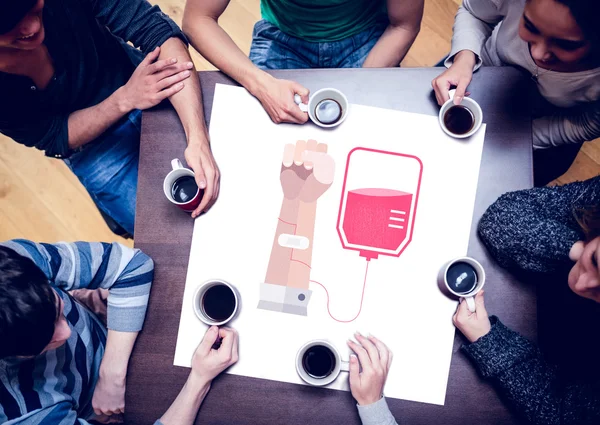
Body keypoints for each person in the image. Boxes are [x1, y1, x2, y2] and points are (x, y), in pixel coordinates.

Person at [0, 0, 220, 236]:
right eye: (9, 27)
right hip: (92, 146)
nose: (32, 27)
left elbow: (156, 31)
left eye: (33, 7)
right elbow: (55, 135)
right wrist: (124, 99)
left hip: (141, 80)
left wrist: (197, 138)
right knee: (169, 239)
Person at [0, 239, 239, 424]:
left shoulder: (18, 260)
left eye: (57, 310)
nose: (66, 333)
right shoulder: (24, 415)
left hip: (112, 350)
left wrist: (111, 375)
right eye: (46, 341)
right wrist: (199, 379)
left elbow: (133, 265)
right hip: (108, 410)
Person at [448, 178, 600, 425]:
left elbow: (559, 415)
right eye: (596, 261)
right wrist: (576, 250)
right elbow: (501, 220)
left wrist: (489, 341)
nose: (582, 285)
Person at [431, 0, 600, 185]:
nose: (537, 53)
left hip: (550, 126)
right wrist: (464, 57)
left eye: (566, 45)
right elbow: (474, 12)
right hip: (478, 71)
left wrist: (523, 138)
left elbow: (588, 123)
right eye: (529, 26)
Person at [182, 0, 424, 124]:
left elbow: (403, 25)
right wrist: (261, 84)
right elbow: (198, 19)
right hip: (282, 37)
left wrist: (362, 86)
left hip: (366, 36)